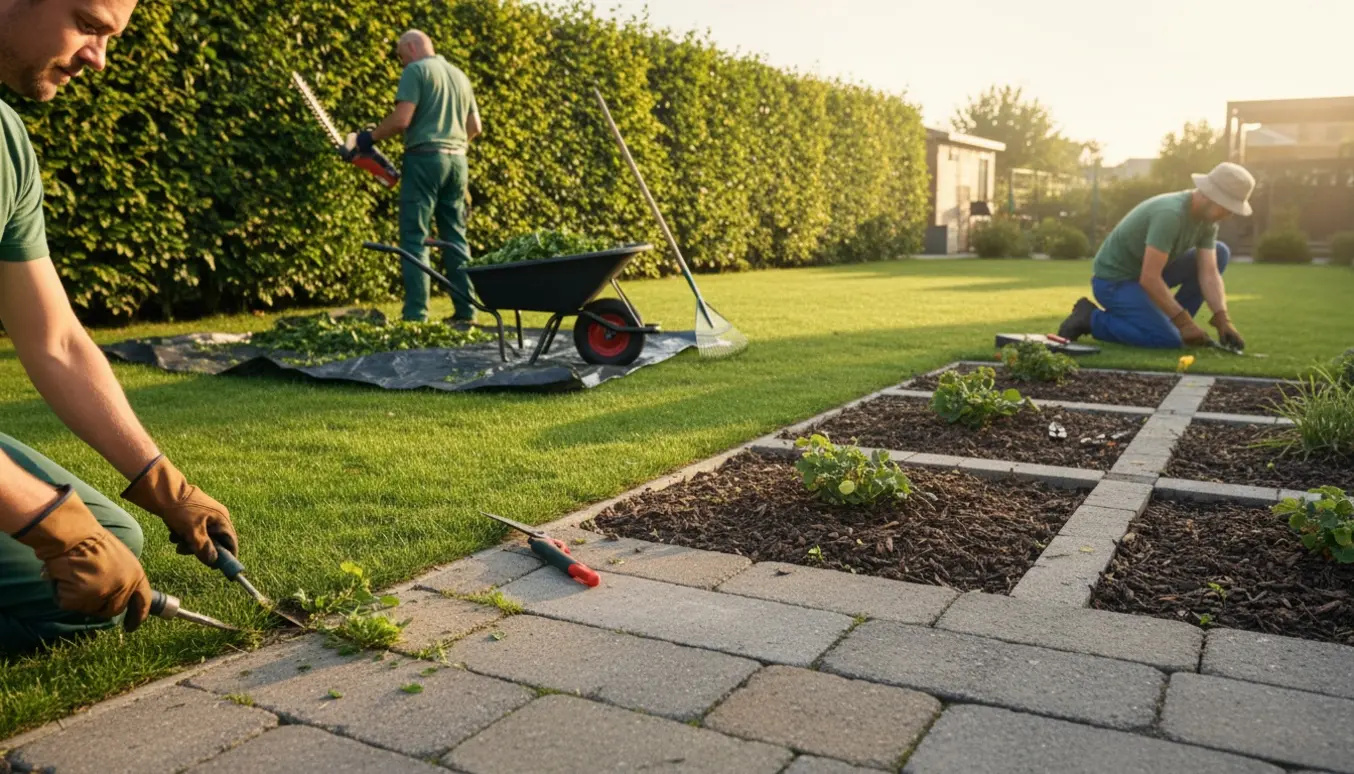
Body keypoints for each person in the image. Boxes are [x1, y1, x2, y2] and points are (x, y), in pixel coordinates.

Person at [0, 0, 238, 653]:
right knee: (69, 560)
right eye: (87, 24)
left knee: (113, 544)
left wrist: (167, 488)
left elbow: (55, 341)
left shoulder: (7, 143)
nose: (99, 59)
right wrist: (49, 524)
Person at [1057, 162, 1255, 350]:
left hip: (1146, 277)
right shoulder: (1170, 214)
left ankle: (1171, 323)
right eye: (1227, 207)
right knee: (1167, 339)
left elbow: (1209, 272)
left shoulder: (1207, 222)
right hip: (1114, 283)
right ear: (1211, 196)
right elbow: (1149, 278)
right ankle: (1090, 319)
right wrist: (1184, 322)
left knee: (1220, 252)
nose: (1229, 215)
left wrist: (1222, 318)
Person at [358, 30, 482, 325]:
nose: (402, 62)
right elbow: (475, 127)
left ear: (412, 47)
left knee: (414, 237)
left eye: (401, 55)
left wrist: (369, 138)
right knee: (455, 237)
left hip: (425, 158)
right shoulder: (460, 75)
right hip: (458, 161)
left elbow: (402, 119)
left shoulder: (416, 71)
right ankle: (467, 313)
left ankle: (416, 317)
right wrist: (454, 145)